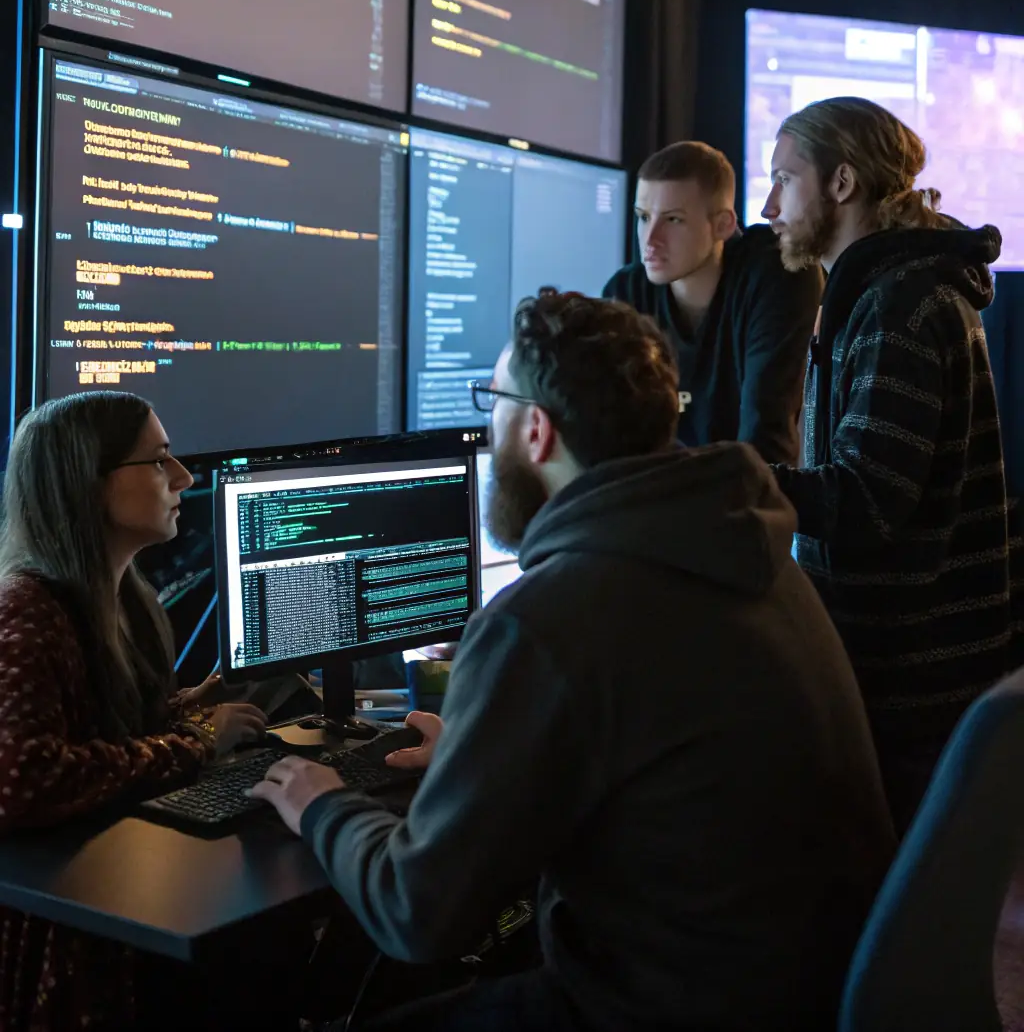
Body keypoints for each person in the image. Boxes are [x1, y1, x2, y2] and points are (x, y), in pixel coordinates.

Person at [254, 292, 895, 1032]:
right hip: (802, 990)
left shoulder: (548, 617)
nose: (486, 427)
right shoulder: (749, 551)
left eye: (491, 401)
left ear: (535, 428)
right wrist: (484, 750)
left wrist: (321, 803)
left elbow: (415, 912)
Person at [762, 96, 1015, 832]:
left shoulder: (898, 304)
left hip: (906, 689)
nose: (770, 202)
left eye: (786, 177)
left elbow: (867, 503)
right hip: (906, 678)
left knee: (884, 929)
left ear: (842, 183)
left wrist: (724, 479)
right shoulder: (890, 291)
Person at [0, 392, 268, 1032]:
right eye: (159, 462)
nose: (184, 479)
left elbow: (96, 725)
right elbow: (21, 778)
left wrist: (184, 706)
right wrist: (197, 741)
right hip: (64, 931)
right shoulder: (26, 614)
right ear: (87, 484)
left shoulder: (127, 598)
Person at [603, 140, 822, 464]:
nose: (650, 240)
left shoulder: (777, 273)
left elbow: (766, 433)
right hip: (656, 499)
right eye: (643, 217)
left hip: (745, 498)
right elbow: (606, 437)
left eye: (673, 220)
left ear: (723, 224)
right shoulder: (626, 292)